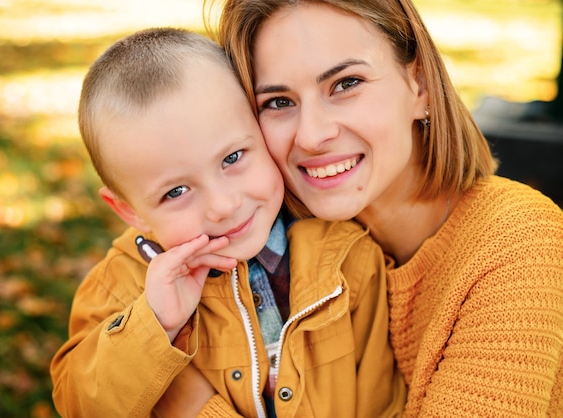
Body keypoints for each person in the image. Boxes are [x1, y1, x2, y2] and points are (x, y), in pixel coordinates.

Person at [199, 0, 563, 416]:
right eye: (279, 102)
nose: (313, 135)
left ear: (420, 87)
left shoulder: (518, 242)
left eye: (346, 83)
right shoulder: (273, 249)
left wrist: (188, 402)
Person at [50, 27, 407, 417]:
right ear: (129, 211)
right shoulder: (120, 288)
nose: (221, 205)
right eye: (176, 192)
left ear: (260, 128)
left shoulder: (347, 259)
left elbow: (381, 402)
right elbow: (79, 406)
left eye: (233, 158)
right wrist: (154, 326)